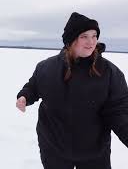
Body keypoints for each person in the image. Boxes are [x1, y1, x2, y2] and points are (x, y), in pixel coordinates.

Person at [16, 12, 128, 169]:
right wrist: (25, 96)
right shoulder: (46, 67)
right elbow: (34, 86)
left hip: (95, 154)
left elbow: (120, 111)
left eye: (94, 36)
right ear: (71, 40)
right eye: (84, 36)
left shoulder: (109, 72)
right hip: (54, 150)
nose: (91, 42)